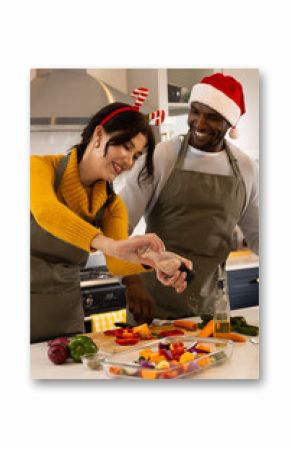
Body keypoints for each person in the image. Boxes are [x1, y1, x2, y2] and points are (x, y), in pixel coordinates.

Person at [30, 98, 192, 343]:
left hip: (64, 317)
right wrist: (108, 243)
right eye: (126, 147)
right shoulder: (38, 168)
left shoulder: (111, 206)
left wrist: (155, 261)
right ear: (98, 135)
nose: (129, 162)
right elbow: (47, 212)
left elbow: (117, 263)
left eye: (136, 155)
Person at [119, 73, 259, 324]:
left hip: (210, 310)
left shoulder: (245, 168)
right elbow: (118, 222)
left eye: (213, 117)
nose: (200, 123)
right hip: (152, 306)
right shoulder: (162, 156)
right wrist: (131, 279)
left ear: (230, 123)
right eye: (195, 111)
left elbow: (260, 237)